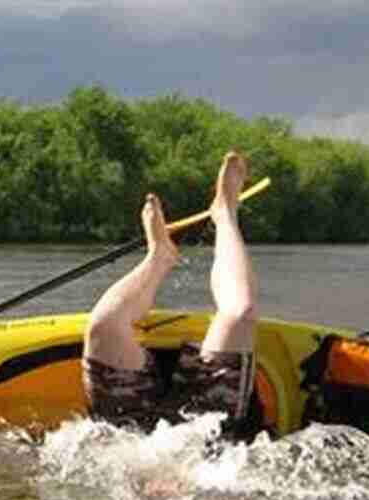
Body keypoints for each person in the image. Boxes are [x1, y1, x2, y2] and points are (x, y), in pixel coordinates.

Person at [82, 151, 263, 440]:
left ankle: (210, 221)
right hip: (207, 437)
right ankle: (218, 220)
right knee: (240, 313)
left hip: (128, 430)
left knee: (103, 325)